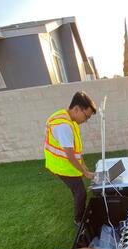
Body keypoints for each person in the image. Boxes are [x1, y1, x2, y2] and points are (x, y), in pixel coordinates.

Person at [44, 91, 96, 226]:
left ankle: (81, 216)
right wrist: (85, 172)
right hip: (61, 166)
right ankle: (79, 220)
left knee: (78, 190)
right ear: (77, 109)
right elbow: (70, 156)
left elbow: (76, 151)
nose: (86, 120)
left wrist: (84, 167)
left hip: (64, 163)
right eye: (86, 116)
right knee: (80, 192)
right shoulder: (64, 126)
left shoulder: (69, 119)